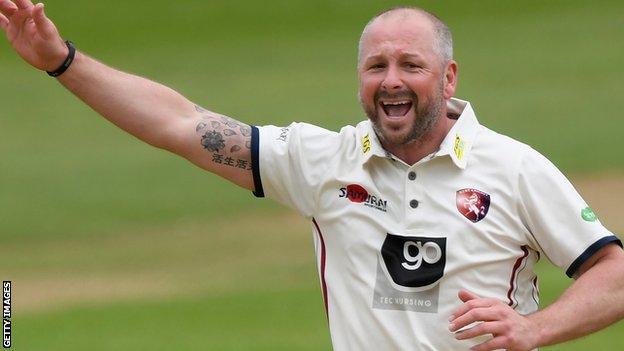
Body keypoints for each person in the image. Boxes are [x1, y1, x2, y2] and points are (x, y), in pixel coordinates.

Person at [1, 1, 623, 350]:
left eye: (412, 64)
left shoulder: (513, 169)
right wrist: (62, 62)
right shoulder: (324, 161)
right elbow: (182, 126)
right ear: (359, 80)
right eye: (376, 66)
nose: (392, 80)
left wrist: (533, 328)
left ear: (449, 77)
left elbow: (615, 273)